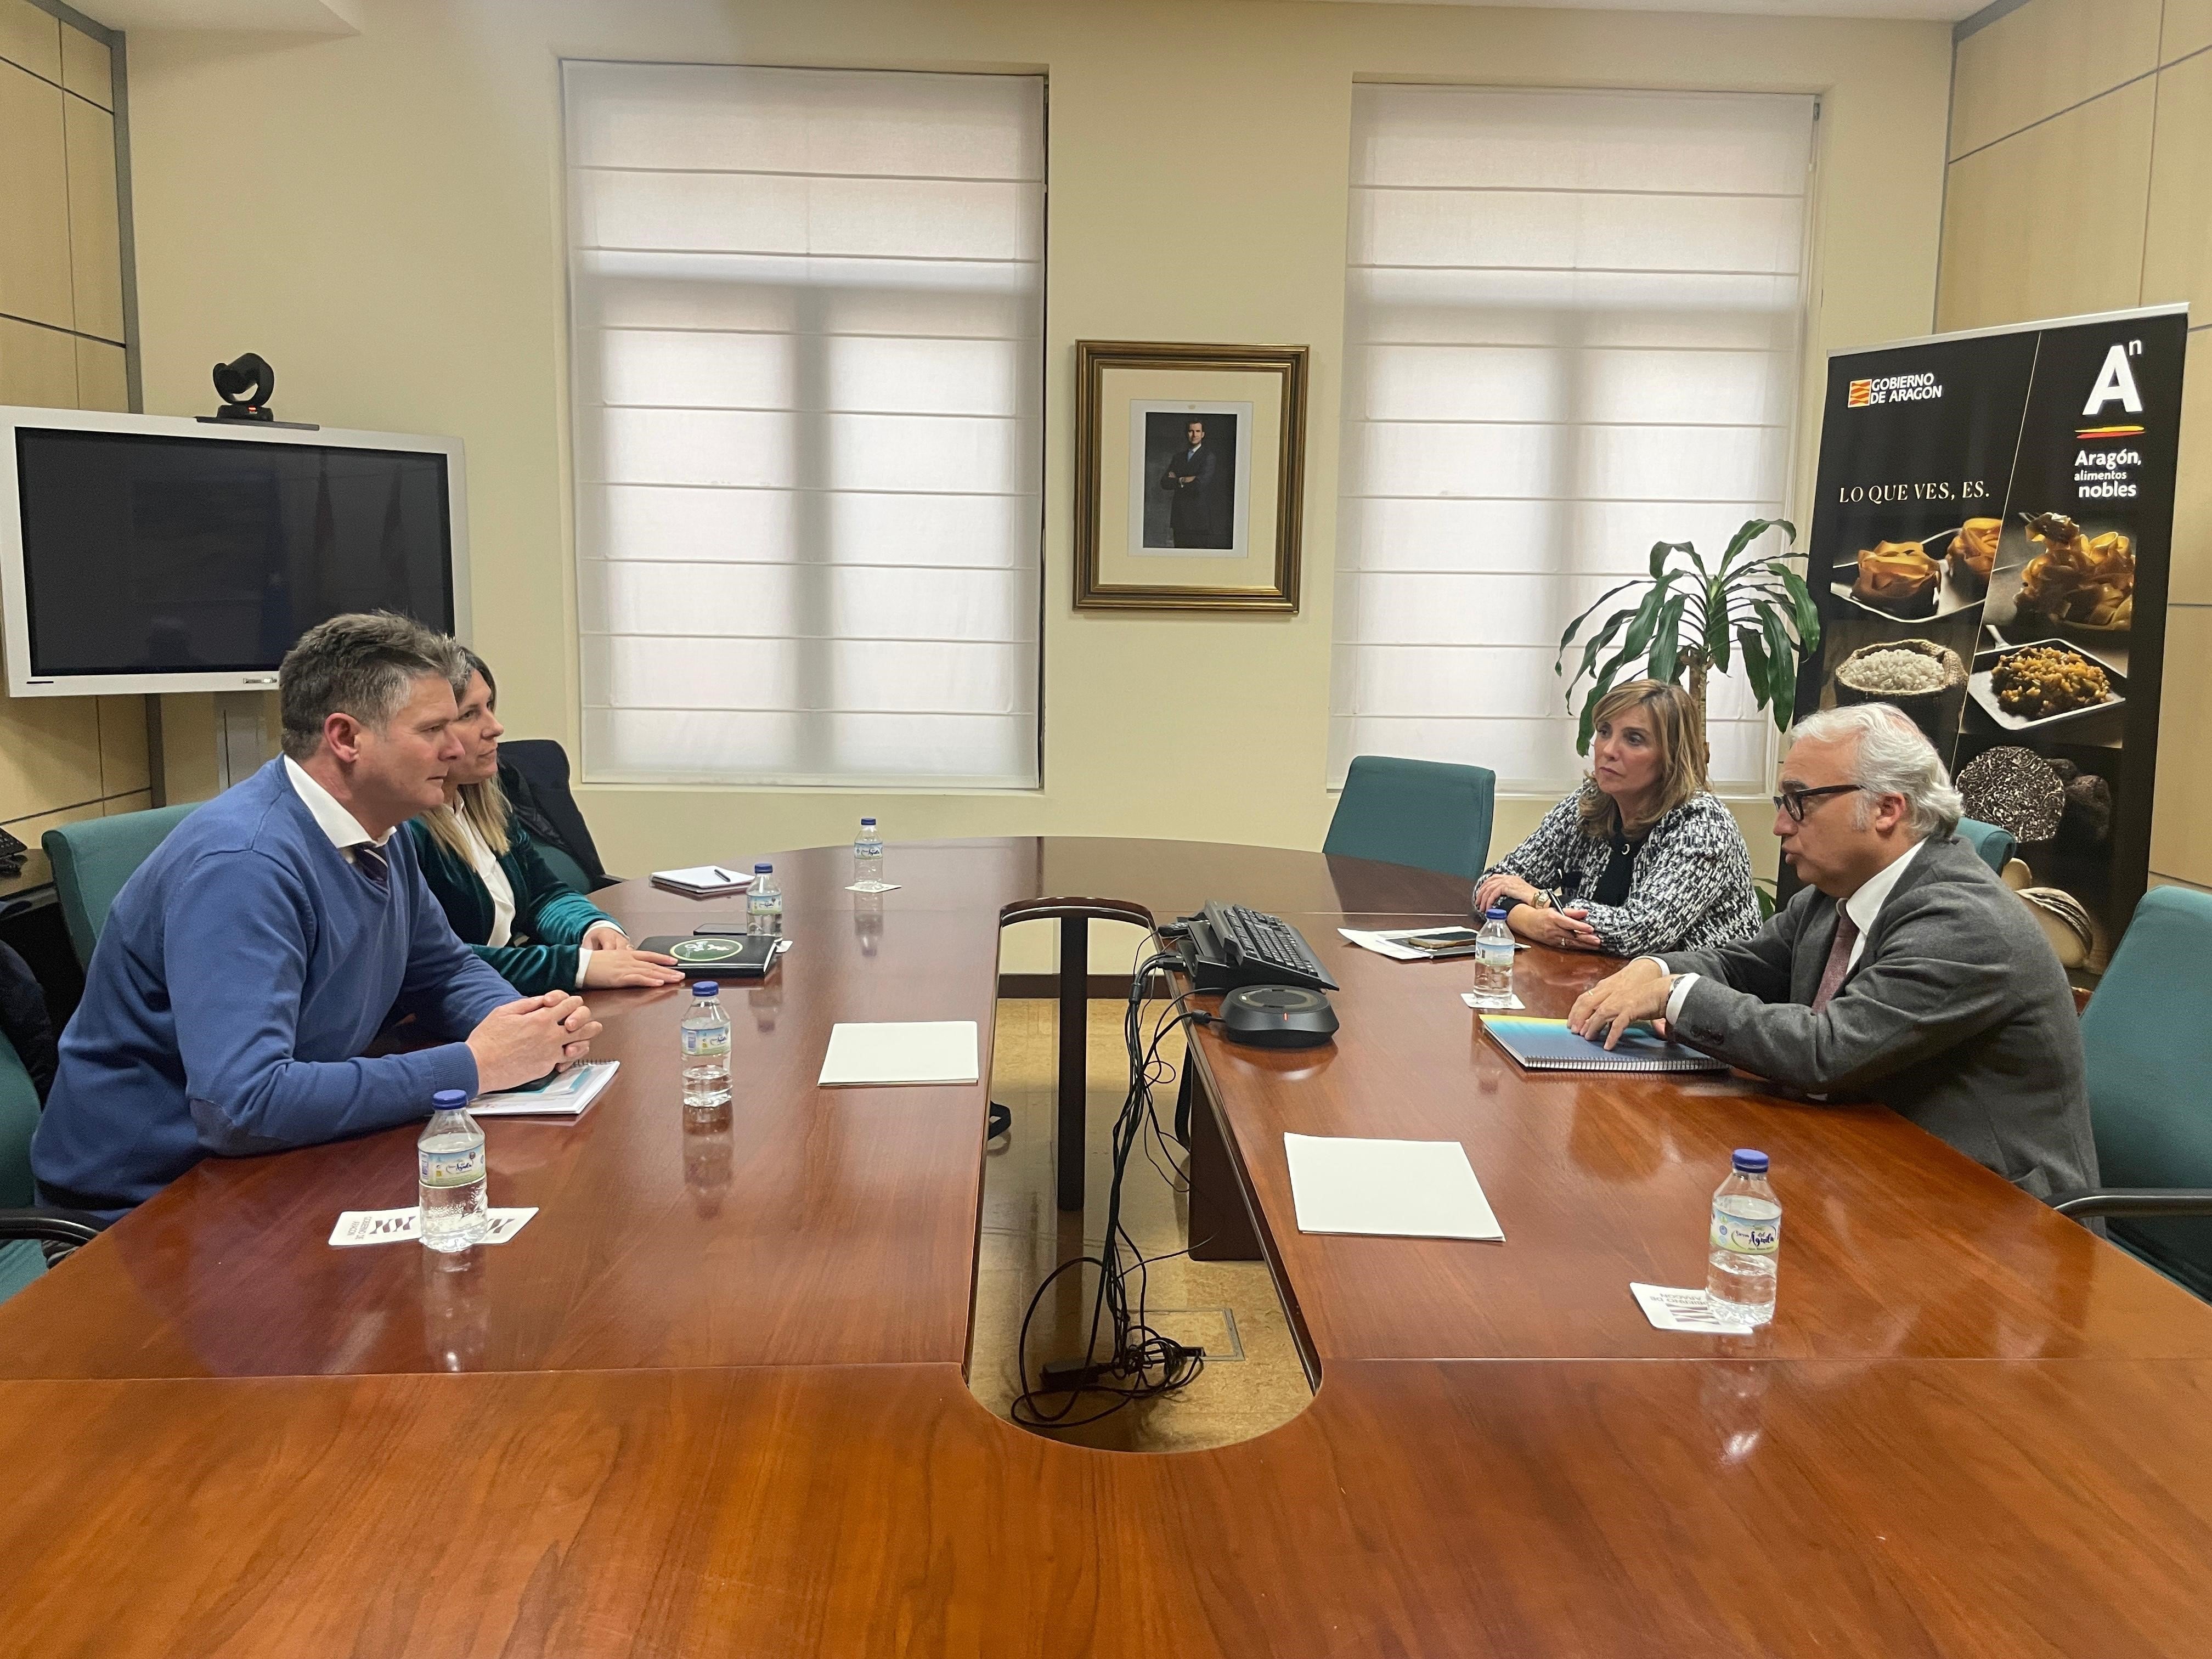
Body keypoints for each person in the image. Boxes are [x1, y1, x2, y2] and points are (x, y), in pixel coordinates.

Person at [31, 612, 601, 1217]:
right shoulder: (244, 866)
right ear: (346, 738)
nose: (459, 747)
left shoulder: (385, 828)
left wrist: (524, 1025)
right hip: (148, 1205)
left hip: (271, 1164)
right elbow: (242, 1106)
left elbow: (440, 969)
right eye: (434, 728)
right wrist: (476, 1064)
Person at [1568, 702, 2097, 1201]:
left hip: (1999, 1217)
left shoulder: (1963, 921)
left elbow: (1827, 1051)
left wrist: (1674, 994)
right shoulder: (1836, 891)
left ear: (1888, 809)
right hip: (1871, 1166)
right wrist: (1651, 968)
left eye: (1800, 802)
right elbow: (1741, 964)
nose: (1780, 825)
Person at [408, 649, 681, 995]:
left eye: (490, 706)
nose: (495, 727)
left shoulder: (486, 802)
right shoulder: (403, 830)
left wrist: (591, 926)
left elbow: (543, 893)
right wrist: (576, 966)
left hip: (509, 995)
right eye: (470, 715)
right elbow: (437, 963)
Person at [1473, 680, 1759, 957]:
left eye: (1634, 739)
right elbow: (1492, 885)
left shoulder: (1703, 825)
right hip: (1604, 979)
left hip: (1701, 994)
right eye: (1605, 732)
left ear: (1671, 756)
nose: (1608, 751)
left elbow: (1639, 932)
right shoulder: (1588, 803)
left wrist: (1539, 899)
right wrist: (1530, 921)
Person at [1159, 417, 1227, 549]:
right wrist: (1183, 480)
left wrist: (1177, 479)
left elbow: (1200, 485)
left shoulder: (1208, 457)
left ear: (1203, 434)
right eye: (1191, 431)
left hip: (1198, 519)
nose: (1194, 435)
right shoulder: (1178, 457)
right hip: (1179, 518)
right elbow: (1164, 482)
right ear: (1187, 433)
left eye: (1198, 431)